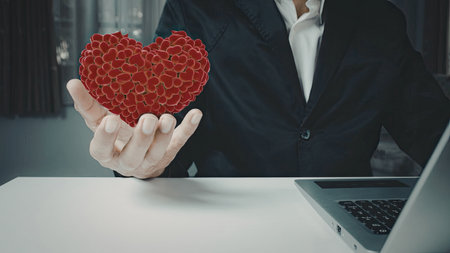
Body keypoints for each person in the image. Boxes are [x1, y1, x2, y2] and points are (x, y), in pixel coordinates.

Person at [67, 0, 450, 179]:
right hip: (229, 229)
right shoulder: (197, 11)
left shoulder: (380, 19)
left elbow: (435, 134)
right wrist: (143, 166)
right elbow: (165, 139)